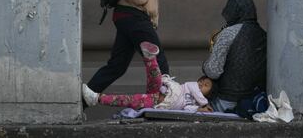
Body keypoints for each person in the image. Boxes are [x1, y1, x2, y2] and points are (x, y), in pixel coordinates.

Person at [83, 42, 215, 112]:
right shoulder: (191, 87)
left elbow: (187, 109)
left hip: (156, 102)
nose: (201, 84)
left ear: (210, 93)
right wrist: (205, 104)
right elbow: (194, 89)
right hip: (163, 89)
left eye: (206, 85)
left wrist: (198, 109)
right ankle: (150, 57)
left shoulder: (193, 102)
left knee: (129, 100)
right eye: (202, 80)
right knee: (156, 77)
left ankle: (96, 98)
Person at [202, 0, 267, 113]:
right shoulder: (263, 34)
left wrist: (204, 65)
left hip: (226, 101)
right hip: (254, 101)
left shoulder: (228, 33)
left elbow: (213, 72)